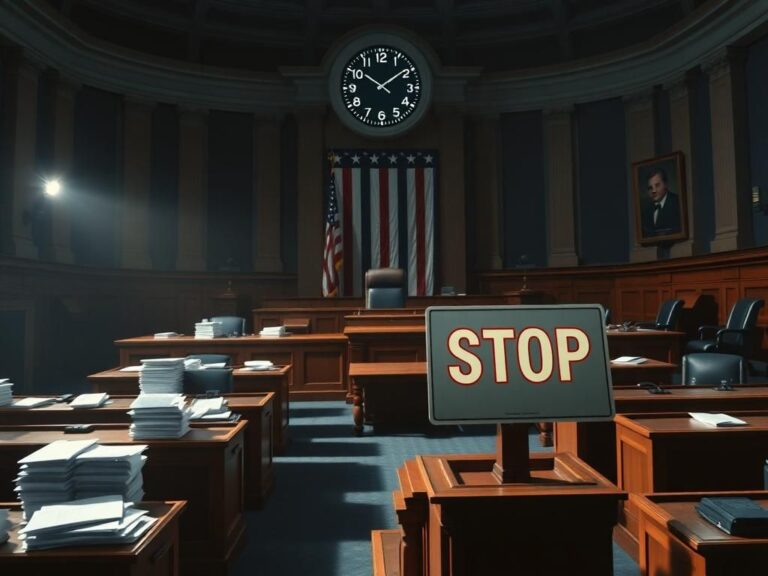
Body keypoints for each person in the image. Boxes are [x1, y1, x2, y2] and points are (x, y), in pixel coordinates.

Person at [641, 168, 681, 238]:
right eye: (650, 188)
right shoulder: (646, 210)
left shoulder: (678, 203)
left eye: (657, 185)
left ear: (665, 184)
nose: (653, 191)